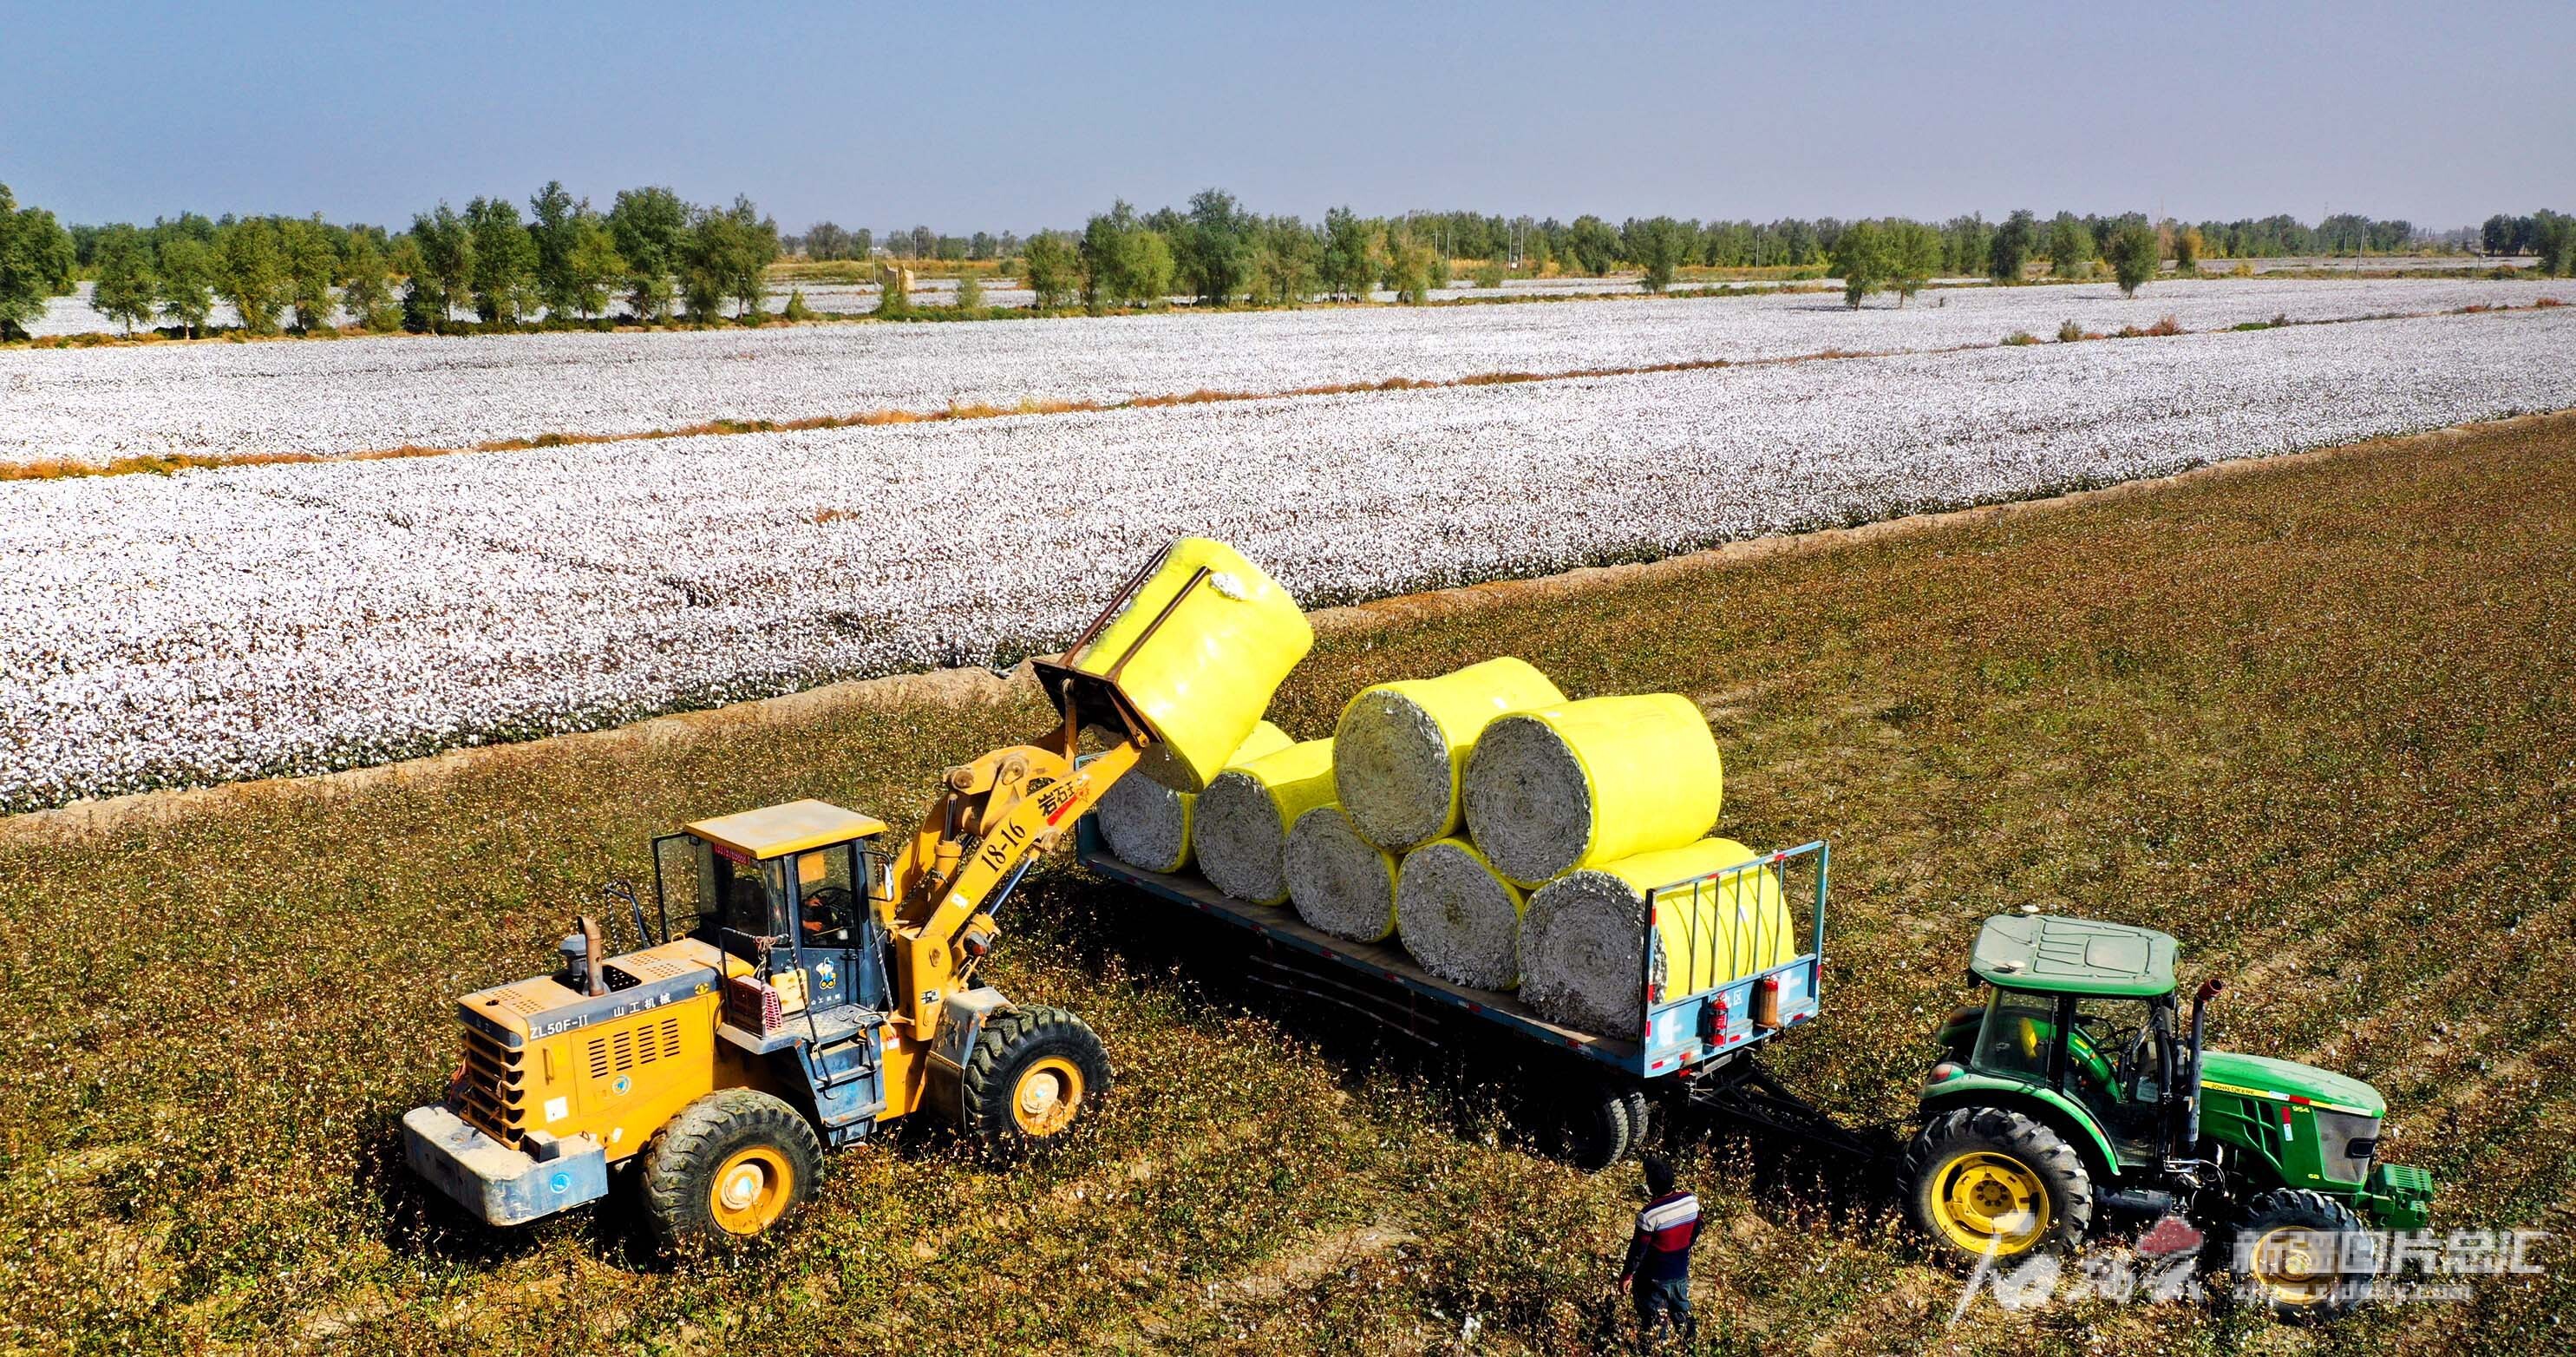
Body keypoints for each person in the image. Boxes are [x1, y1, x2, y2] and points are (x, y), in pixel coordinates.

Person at [1618, 1154, 1700, 1349]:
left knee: (1654, 1317)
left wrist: (1627, 1276)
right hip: (1679, 1271)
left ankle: (1657, 1348)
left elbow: (1638, 1251)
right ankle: (1691, 1346)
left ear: (1650, 1186)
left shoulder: (1648, 1215)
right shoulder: (1690, 1201)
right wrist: (1683, 1248)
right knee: (1681, 1310)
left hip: (1653, 1277)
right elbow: (1696, 1230)